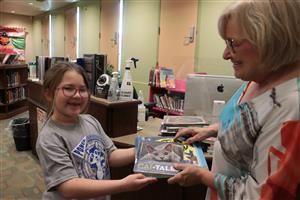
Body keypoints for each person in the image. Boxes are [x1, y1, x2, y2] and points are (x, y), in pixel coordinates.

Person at [167, 0, 300, 199]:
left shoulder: (291, 106)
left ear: (270, 38)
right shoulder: (258, 78)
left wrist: (203, 176)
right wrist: (210, 130)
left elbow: (260, 195)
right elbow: (250, 123)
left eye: (233, 43)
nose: (225, 54)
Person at [36, 62, 157, 200]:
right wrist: (123, 185)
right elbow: (69, 187)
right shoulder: (49, 137)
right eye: (68, 88)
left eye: (82, 90)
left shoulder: (90, 121)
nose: (77, 95)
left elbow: (111, 154)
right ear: (49, 94)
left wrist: (143, 149)